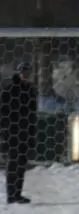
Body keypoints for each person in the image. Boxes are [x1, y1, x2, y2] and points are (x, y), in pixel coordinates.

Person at [0, 62, 37, 204]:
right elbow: (2, 112)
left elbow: (33, 115)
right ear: (18, 73)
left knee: (22, 163)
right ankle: (11, 194)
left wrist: (32, 134)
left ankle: (18, 193)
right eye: (23, 72)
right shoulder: (10, 89)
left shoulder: (30, 90)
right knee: (13, 163)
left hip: (25, 132)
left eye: (28, 72)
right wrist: (5, 131)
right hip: (12, 132)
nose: (25, 74)